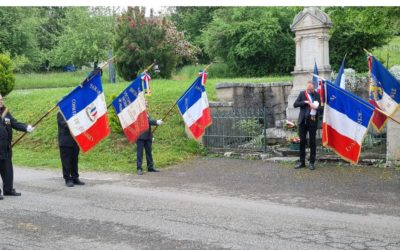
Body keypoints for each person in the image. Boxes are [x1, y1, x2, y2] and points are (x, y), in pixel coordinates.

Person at [0, 94, 34, 199]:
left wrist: (25, 127)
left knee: (7, 169)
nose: (1, 101)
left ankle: (8, 190)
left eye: (2, 99)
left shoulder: (5, 112)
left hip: (6, 147)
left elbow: (14, 123)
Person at [293, 81, 322, 170]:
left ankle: (312, 162)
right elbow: (295, 104)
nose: (309, 90)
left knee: (312, 142)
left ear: (314, 88)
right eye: (308, 89)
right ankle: (302, 162)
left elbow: (321, 109)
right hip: (302, 121)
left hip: (312, 121)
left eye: (311, 89)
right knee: (302, 141)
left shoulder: (317, 95)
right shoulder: (302, 94)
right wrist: (305, 102)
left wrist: (316, 107)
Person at [57, 111, 85, 187]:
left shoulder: (75, 113)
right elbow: (65, 125)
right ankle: (67, 179)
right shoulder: (61, 113)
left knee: (74, 161)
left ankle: (75, 177)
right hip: (65, 142)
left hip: (75, 141)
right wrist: (77, 124)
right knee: (66, 162)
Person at [136, 100, 163, 175]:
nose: (147, 105)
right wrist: (156, 122)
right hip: (140, 136)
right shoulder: (139, 112)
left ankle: (150, 167)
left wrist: (151, 135)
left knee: (149, 152)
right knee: (139, 153)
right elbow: (146, 121)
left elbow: (148, 125)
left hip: (148, 136)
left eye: (147, 103)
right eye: (145, 103)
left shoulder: (146, 112)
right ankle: (139, 168)